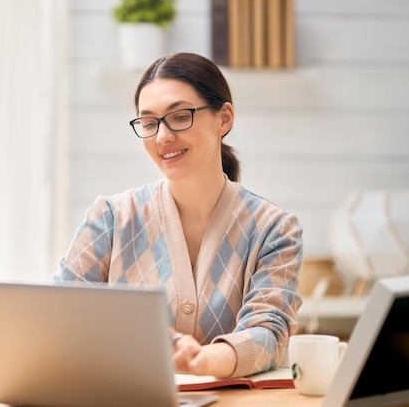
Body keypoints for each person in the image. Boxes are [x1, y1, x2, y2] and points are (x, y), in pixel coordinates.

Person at [52, 52, 303, 379]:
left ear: (223, 118)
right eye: (148, 122)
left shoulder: (274, 229)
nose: (163, 136)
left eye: (180, 116)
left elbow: (269, 331)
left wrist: (207, 360)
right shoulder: (110, 218)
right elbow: (61, 316)